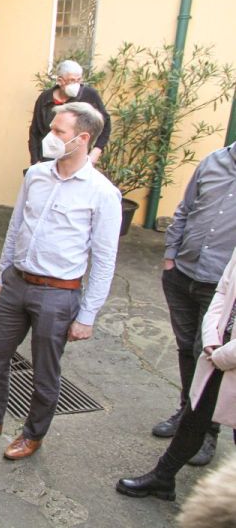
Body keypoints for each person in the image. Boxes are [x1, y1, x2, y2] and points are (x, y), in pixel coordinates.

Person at [0, 101, 121, 460]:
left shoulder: (102, 193)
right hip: (17, 283)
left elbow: (104, 259)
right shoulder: (36, 175)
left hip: (57, 295)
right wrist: (3, 276)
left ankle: (33, 434)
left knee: (45, 372)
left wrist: (88, 315)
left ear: (83, 138)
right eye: (51, 129)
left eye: (59, 132)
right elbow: (15, 228)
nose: (50, 137)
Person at [116, 247, 236, 501]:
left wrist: (222, 356)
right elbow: (223, 291)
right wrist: (212, 338)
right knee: (195, 417)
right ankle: (163, 477)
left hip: (225, 357)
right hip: (219, 351)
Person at [150, 145, 236, 466]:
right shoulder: (214, 161)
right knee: (187, 349)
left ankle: (206, 432)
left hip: (221, 288)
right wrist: (170, 256)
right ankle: (187, 413)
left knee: (211, 356)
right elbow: (185, 209)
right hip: (182, 273)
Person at [28, 60, 111, 165]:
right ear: (60, 81)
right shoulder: (45, 98)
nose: (76, 84)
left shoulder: (89, 96)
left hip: (76, 160)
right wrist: (36, 161)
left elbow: (105, 123)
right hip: (47, 159)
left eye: (79, 80)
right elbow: (35, 132)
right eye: (72, 80)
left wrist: (97, 150)